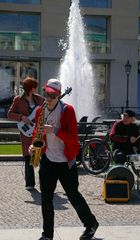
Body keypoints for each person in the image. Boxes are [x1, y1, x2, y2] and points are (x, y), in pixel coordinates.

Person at [29, 78, 99, 240]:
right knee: (46, 199)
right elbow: (36, 133)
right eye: (46, 94)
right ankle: (47, 235)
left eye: (53, 96)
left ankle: (91, 224)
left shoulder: (68, 111)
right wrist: (33, 146)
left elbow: (73, 139)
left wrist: (54, 130)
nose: (48, 98)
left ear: (59, 95)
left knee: (73, 196)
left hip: (65, 162)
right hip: (47, 160)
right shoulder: (41, 110)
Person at [7, 77, 44, 190]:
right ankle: (30, 184)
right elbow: (9, 114)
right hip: (26, 133)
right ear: (30, 88)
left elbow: (47, 110)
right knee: (28, 157)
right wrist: (22, 117)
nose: (36, 89)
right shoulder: (18, 99)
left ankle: (44, 183)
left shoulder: (39, 99)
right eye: (34, 87)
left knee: (41, 157)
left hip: (38, 132)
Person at [109, 109, 140, 191]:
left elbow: (138, 140)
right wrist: (128, 139)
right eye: (124, 115)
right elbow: (112, 136)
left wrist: (136, 145)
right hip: (119, 149)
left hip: (131, 150)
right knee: (119, 157)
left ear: (132, 119)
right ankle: (120, 184)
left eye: (127, 116)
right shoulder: (117, 124)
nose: (125, 118)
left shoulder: (134, 126)